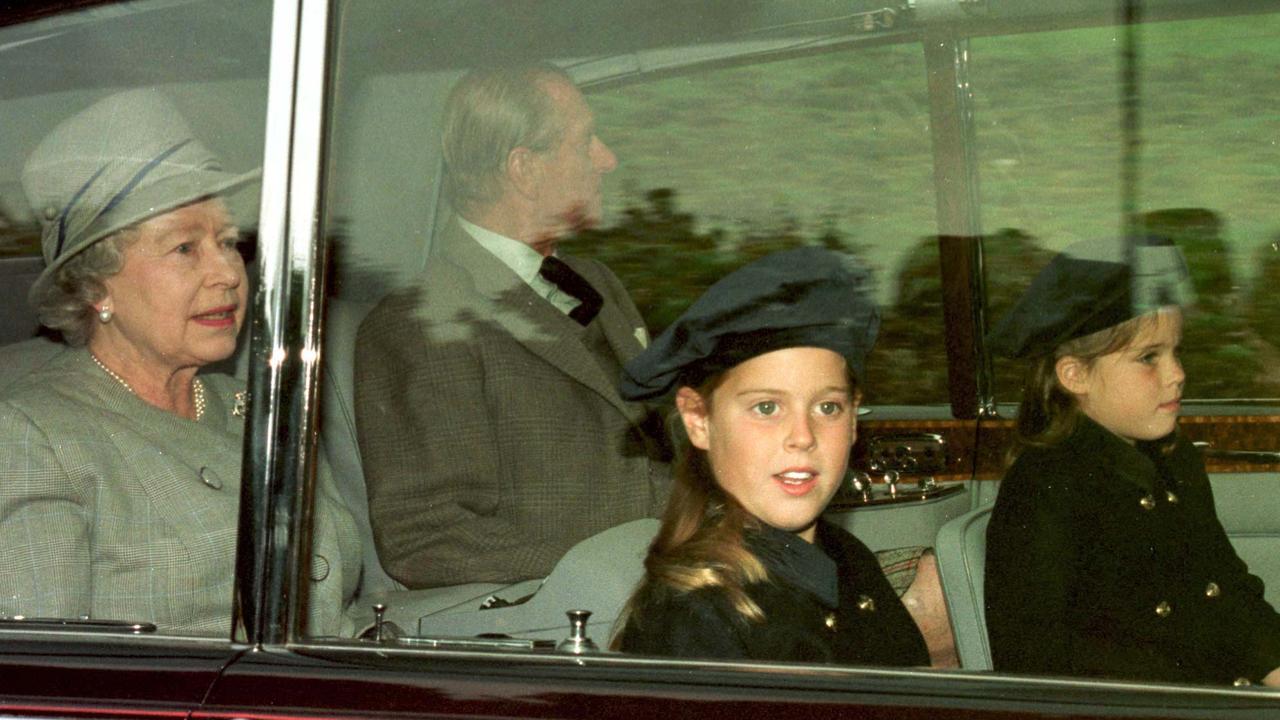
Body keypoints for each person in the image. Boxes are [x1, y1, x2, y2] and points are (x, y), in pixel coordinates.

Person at [0, 89, 359, 636]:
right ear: (98, 286)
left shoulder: (260, 408)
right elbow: (41, 673)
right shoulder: (32, 436)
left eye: (229, 241)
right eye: (185, 248)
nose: (229, 274)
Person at [355, 64, 670, 589]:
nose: (607, 159)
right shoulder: (420, 321)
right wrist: (622, 579)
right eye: (586, 141)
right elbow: (426, 536)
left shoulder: (597, 282)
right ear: (524, 168)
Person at [984, 236, 1280, 686]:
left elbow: (1228, 591)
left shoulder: (1174, 462)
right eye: (1149, 358)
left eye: (1176, 351)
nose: (1177, 373)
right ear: (1075, 375)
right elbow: (1037, 661)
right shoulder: (1046, 486)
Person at [611, 247, 929, 665]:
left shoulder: (845, 557)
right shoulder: (695, 619)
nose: (803, 437)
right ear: (698, 420)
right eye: (766, 408)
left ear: (854, 419)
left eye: (827, 407)